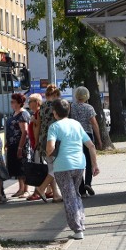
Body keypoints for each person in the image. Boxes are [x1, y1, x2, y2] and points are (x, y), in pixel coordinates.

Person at [46, 98, 100, 240]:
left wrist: (50, 154)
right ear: (69, 110)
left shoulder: (54, 127)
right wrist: (94, 165)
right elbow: (91, 146)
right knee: (75, 194)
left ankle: (77, 230)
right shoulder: (76, 124)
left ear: (54, 113)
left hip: (63, 166)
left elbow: (50, 148)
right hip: (79, 165)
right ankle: (81, 224)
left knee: (69, 198)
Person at [30, 84, 63, 203]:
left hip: (43, 139)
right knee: (57, 167)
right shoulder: (57, 106)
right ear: (55, 95)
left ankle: (56, 194)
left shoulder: (42, 107)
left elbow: (38, 124)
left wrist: (37, 141)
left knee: (51, 167)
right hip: (54, 139)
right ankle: (42, 188)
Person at [70, 86, 102, 197]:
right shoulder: (89, 108)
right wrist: (98, 139)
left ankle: (81, 189)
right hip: (87, 135)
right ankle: (88, 183)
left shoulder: (71, 107)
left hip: (74, 137)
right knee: (89, 161)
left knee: (78, 162)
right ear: (86, 96)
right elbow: (94, 123)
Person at [5, 92, 32, 197]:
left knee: (22, 167)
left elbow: (24, 132)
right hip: (13, 144)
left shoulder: (23, 114)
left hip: (20, 145)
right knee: (17, 167)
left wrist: (20, 147)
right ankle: (21, 188)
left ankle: (25, 190)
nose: (11, 104)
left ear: (19, 103)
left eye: (13, 102)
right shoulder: (15, 113)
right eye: (11, 102)